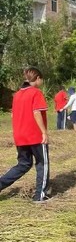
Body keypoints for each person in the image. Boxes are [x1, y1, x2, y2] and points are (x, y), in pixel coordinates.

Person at [0, 67, 52, 202]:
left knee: (23, 164)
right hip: (35, 136)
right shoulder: (36, 93)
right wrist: (44, 132)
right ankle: (40, 196)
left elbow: (13, 115)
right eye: (41, 80)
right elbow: (36, 112)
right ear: (38, 78)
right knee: (42, 164)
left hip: (20, 137)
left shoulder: (17, 95)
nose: (42, 82)